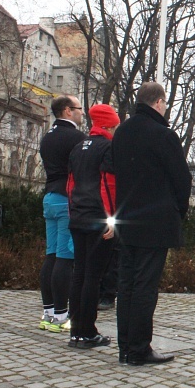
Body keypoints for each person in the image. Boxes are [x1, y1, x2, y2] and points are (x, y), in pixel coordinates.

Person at [113, 82, 192, 366]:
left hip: (126, 220)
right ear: (158, 102)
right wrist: (177, 212)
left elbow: (113, 173)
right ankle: (139, 350)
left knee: (127, 286)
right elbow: (182, 180)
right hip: (155, 223)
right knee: (145, 288)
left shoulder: (121, 132)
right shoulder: (163, 135)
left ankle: (125, 348)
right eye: (165, 104)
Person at [67, 104, 120, 349]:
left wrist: (73, 213)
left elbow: (71, 186)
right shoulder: (108, 148)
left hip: (77, 216)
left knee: (79, 273)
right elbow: (107, 185)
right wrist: (111, 218)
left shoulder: (79, 147)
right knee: (93, 277)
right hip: (98, 218)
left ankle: (76, 329)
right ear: (109, 124)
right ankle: (87, 331)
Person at [39, 95, 85, 333]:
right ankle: (60, 315)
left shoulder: (47, 137)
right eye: (78, 109)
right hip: (67, 199)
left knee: (51, 254)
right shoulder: (76, 138)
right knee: (65, 258)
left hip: (49, 197)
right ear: (68, 111)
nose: (81, 113)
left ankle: (47, 312)